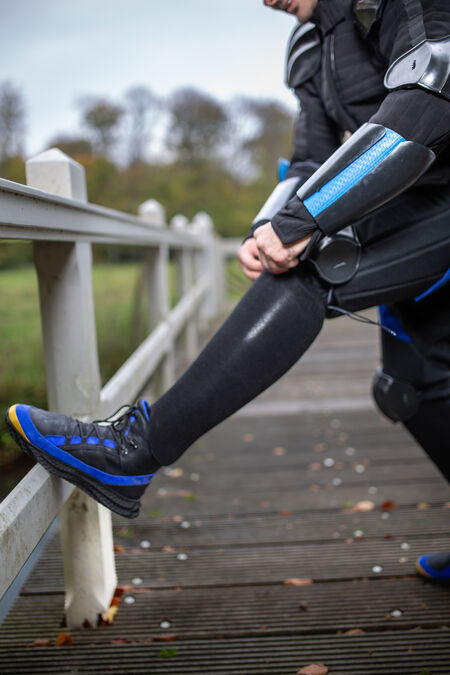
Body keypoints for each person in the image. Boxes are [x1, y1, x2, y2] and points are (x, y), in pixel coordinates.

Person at [6, 0, 450, 580]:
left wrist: (305, 222)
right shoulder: (311, 45)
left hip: (437, 196)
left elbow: (431, 93)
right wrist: (265, 228)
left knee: (314, 266)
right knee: (413, 386)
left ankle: (135, 451)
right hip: (413, 202)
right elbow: (310, 159)